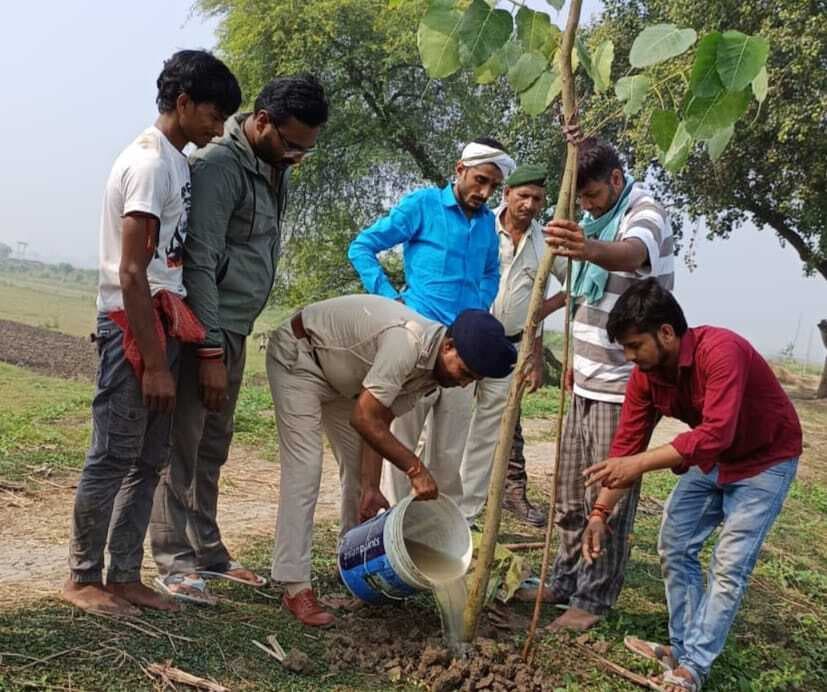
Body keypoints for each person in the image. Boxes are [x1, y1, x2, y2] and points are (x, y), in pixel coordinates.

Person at [62, 50, 241, 616]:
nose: (219, 126)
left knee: (148, 459)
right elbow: (133, 270)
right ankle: (82, 575)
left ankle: (124, 574)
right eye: (214, 113)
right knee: (112, 455)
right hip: (131, 327)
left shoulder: (179, 162)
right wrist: (157, 365)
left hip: (166, 323)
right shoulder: (149, 163)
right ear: (183, 102)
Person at [150, 75, 329, 605]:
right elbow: (201, 260)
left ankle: (207, 549)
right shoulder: (219, 167)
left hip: (235, 328)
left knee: (213, 444)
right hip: (207, 328)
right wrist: (206, 347)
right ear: (261, 120)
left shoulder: (274, 166)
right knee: (183, 442)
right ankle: (173, 558)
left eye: (307, 147)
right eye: (291, 142)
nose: (298, 155)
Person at [581, 279, 802, 692]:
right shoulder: (646, 376)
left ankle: (693, 668)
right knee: (675, 544)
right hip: (712, 458)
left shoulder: (722, 351)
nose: (630, 358)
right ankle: (681, 649)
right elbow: (627, 448)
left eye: (634, 346)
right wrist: (599, 512)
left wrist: (639, 465)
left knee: (729, 566)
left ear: (666, 332)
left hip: (765, 461)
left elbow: (715, 432)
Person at [266, 294, 517, 626]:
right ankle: (295, 586)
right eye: (465, 372)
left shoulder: (431, 376)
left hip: (345, 384)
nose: (463, 382)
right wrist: (415, 469)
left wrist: (371, 486)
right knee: (306, 470)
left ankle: (350, 564)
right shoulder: (408, 342)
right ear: (449, 346)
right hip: (301, 359)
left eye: (472, 380)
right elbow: (364, 418)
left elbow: (377, 421)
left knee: (357, 477)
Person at [542, 137, 674, 630]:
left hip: (622, 387)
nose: (587, 206)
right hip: (586, 380)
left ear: (616, 180)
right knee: (570, 494)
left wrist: (586, 246)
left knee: (609, 496)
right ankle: (566, 577)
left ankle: (592, 600)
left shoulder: (645, 212)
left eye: (593, 195)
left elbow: (630, 253)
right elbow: (584, 295)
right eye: (580, 201)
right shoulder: (596, 218)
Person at [348, 138, 515, 511]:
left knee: (448, 453)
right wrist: (390, 302)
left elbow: (491, 272)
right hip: (415, 347)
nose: (485, 192)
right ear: (460, 169)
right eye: (480, 180)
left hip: (462, 357)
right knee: (398, 447)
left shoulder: (488, 224)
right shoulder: (423, 205)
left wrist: (479, 307)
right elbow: (362, 246)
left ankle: (439, 536)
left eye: (493, 186)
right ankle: (390, 534)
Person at [458, 165, 567, 527]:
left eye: (537, 198)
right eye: (523, 195)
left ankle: (467, 516)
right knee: (449, 425)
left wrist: (539, 313)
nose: (529, 204)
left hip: (510, 348)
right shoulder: (478, 225)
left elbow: (578, 285)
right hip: (465, 342)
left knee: (487, 434)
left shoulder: (547, 241)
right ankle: (430, 508)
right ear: (506, 194)